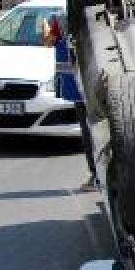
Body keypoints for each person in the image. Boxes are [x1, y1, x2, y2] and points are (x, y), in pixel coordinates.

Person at [49, 13, 98, 193]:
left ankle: (97, 176)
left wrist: (46, 28)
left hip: (79, 88)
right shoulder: (92, 17)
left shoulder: (61, 21)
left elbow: (48, 40)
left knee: (91, 134)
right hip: (90, 86)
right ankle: (98, 175)